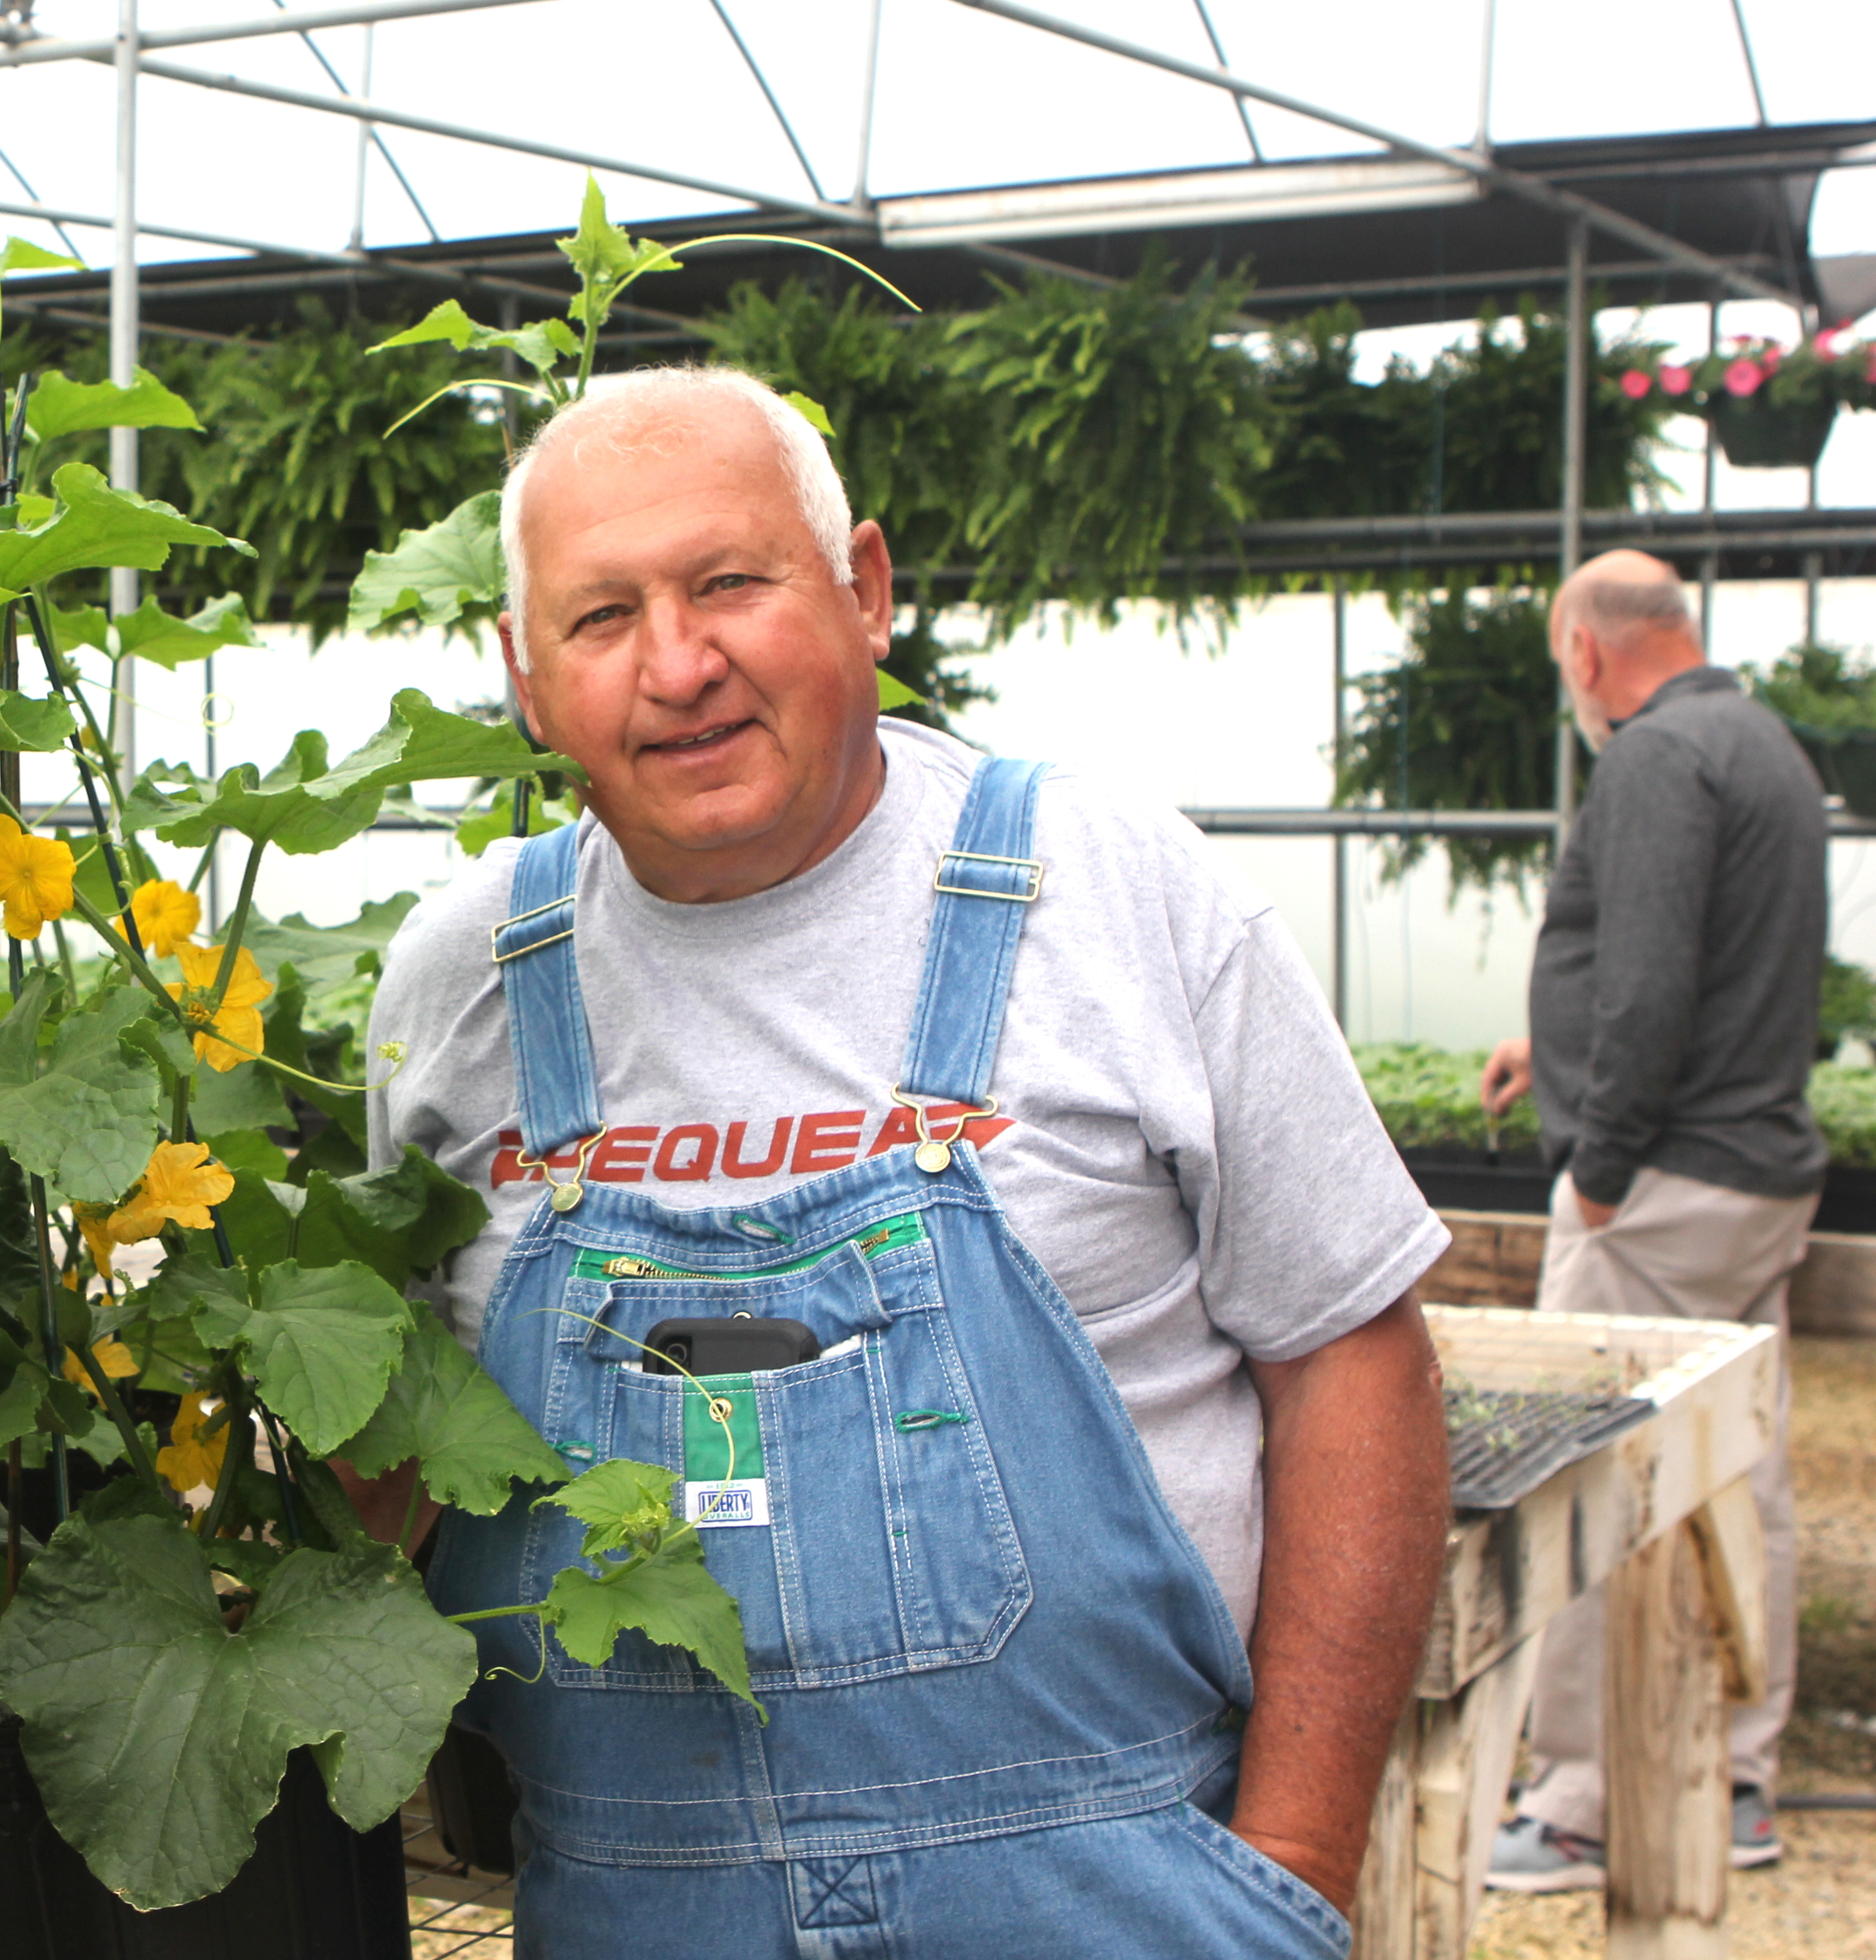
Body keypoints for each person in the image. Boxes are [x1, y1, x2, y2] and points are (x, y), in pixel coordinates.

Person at [366, 366, 1450, 1956]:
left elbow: (1351, 1356)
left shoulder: (1110, 888)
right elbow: (384, 1447)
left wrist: (1289, 1863)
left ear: (863, 590)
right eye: (601, 618)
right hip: (636, 1905)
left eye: (729, 582)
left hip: (1112, 1897)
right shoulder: (459, 982)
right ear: (526, 676)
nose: (678, 665)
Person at [1480, 550, 1822, 1893]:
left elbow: (1655, 975)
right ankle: (1737, 1773)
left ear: (1585, 651)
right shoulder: (1764, 746)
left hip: (1663, 1184)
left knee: (1587, 1472)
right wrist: (1544, 1049)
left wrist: (1601, 1163)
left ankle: (1581, 1799)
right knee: (1743, 1474)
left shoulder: (1655, 758)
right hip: (1749, 1171)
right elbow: (1723, 964)